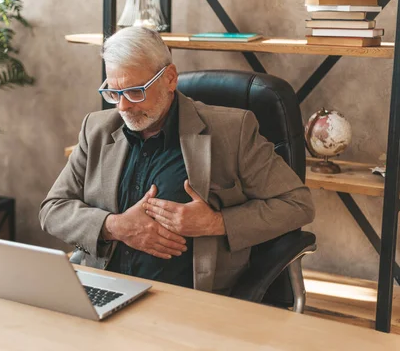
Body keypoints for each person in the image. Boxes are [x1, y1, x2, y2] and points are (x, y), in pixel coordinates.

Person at [39, 27, 315, 293]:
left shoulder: (232, 131)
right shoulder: (96, 129)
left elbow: (297, 205)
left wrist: (215, 223)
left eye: (136, 92)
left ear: (170, 78)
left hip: (188, 299)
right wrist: (115, 226)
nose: (123, 106)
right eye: (114, 93)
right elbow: (52, 210)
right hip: (105, 286)